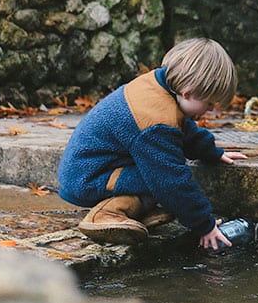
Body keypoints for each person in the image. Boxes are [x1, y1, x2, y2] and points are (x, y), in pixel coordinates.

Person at [57, 37, 247, 249]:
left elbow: (182, 128)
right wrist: (205, 225)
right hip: (89, 177)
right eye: (209, 103)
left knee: (160, 177)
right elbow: (171, 181)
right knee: (161, 180)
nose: (211, 110)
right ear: (187, 92)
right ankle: (106, 215)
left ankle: (139, 213)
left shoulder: (160, 85)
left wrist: (212, 152)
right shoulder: (155, 123)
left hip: (93, 168)